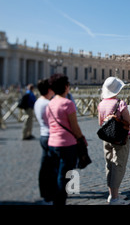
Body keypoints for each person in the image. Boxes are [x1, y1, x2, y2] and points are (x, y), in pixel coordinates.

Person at [46, 73, 86, 205]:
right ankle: (59, 202)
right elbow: (74, 127)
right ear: (65, 86)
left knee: (57, 173)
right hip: (67, 144)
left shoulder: (50, 103)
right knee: (64, 177)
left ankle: (56, 199)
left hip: (52, 143)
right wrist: (81, 138)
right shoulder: (68, 103)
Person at [98, 77, 130, 205]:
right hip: (120, 138)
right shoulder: (120, 103)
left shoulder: (101, 103)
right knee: (119, 165)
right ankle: (114, 199)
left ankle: (112, 194)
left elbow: (100, 122)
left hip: (107, 137)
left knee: (109, 165)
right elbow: (128, 121)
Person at [34, 78, 55, 204]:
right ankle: (50, 195)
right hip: (51, 136)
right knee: (52, 168)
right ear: (48, 90)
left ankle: (45, 193)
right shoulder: (48, 104)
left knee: (45, 167)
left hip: (42, 135)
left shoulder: (38, 102)